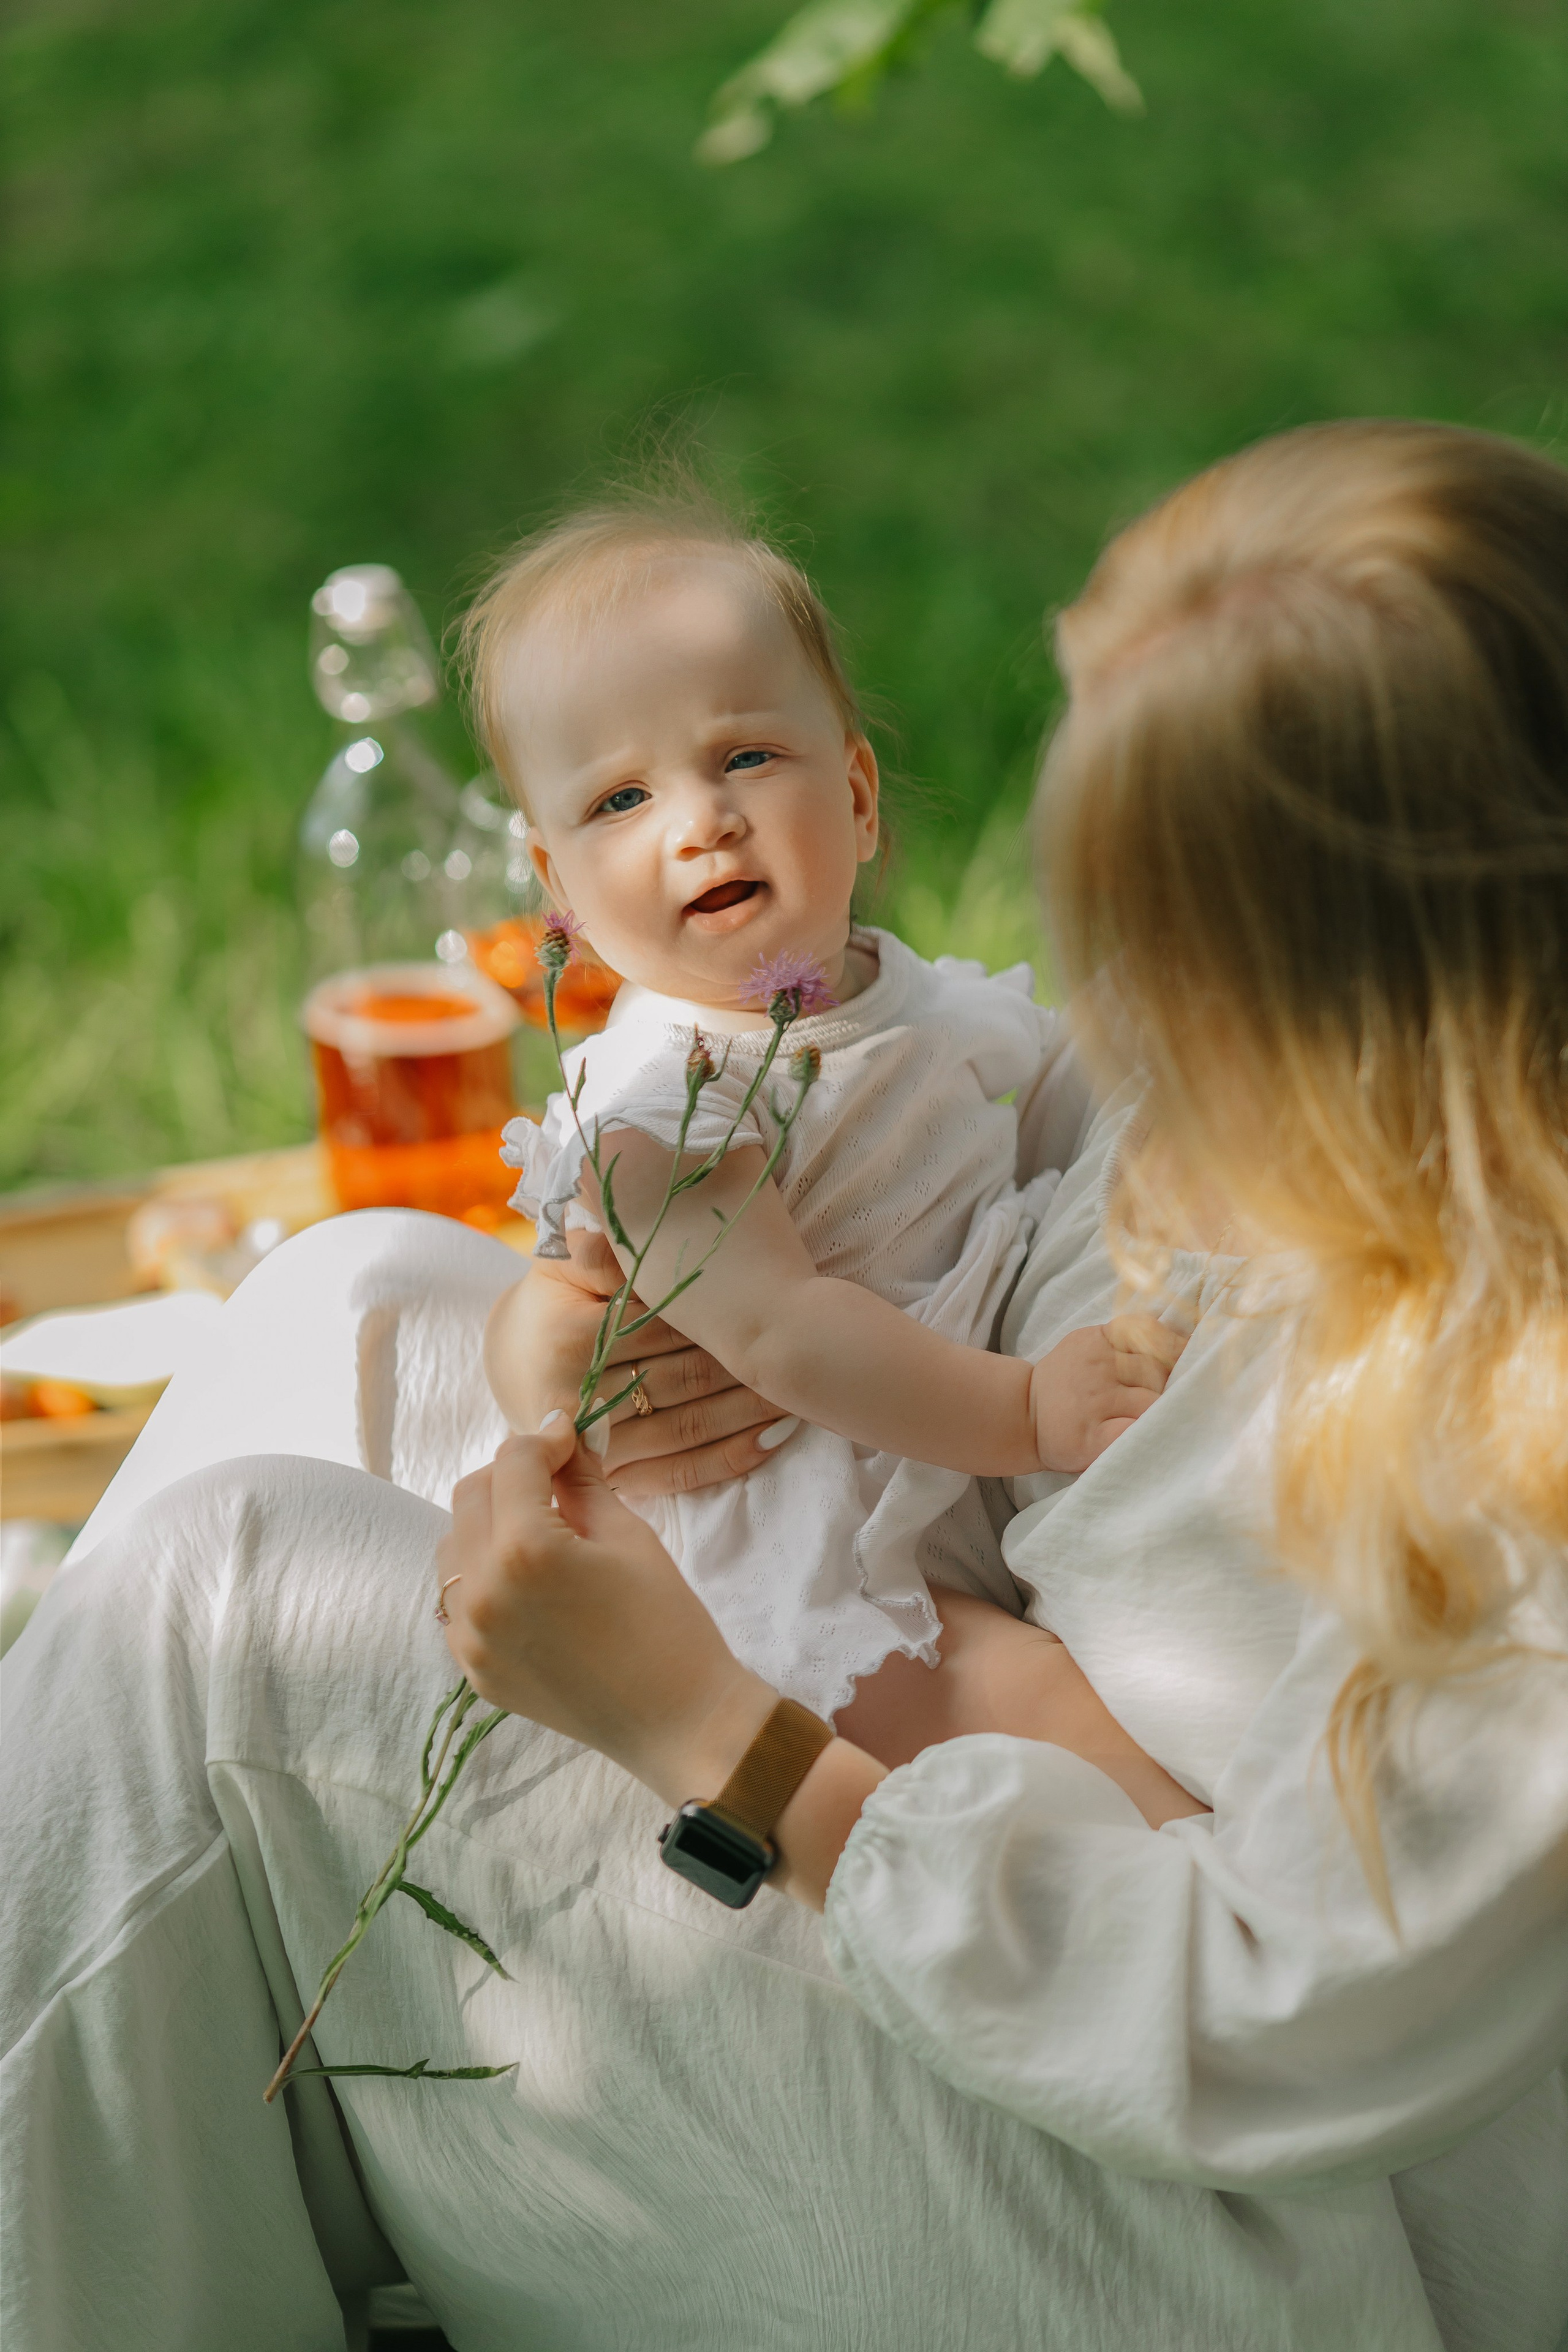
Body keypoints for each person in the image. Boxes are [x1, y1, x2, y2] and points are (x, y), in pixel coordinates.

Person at [2, 419, 1564, 2352]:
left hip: (1212, 2229)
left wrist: (707, 1738)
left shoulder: (1513, 1464)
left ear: (1336, 957)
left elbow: (1256, 2031)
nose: (1097, 937)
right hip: (978, 1789)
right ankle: (173, 2165)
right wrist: (597, 1330)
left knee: (225, 1594)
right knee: (360, 1298)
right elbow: (983, 1148)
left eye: (1138, 886)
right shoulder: (1261, 1094)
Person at [472, 500, 1180, 1721]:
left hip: (930, 1451)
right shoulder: (663, 1113)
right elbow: (784, 1333)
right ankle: (1221, 1895)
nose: (701, 821)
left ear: (856, 795)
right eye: (619, 801)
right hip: (798, 1524)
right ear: (560, 892)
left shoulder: (889, 993)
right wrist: (1023, 1412)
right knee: (1049, 1719)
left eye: (743, 755)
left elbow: (1058, 1088)